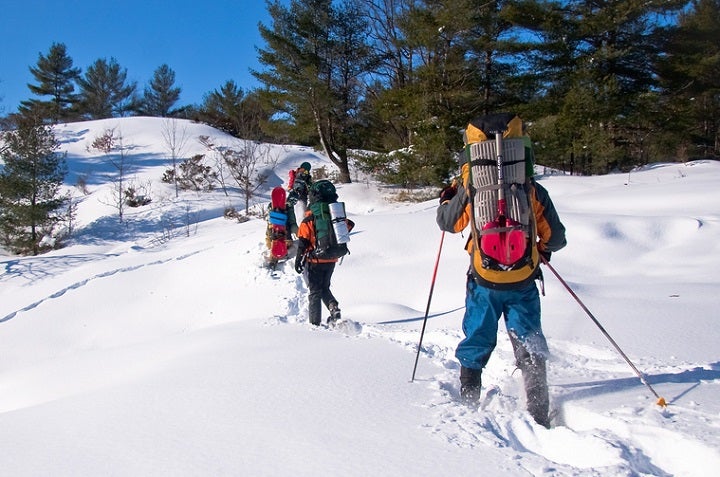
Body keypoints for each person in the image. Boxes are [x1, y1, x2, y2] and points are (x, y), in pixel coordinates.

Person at [436, 116, 566, 428]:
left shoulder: (472, 187)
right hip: (522, 277)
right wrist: (540, 251)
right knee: (529, 341)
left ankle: (468, 403)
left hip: (484, 279)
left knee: (478, 337)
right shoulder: (530, 188)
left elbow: (448, 224)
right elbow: (557, 237)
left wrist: (447, 199)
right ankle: (538, 414)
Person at [294, 182, 355, 327]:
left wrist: (298, 260)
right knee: (325, 287)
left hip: (314, 260)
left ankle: (314, 325)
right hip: (332, 258)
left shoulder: (308, 220)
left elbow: (302, 242)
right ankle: (333, 307)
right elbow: (350, 224)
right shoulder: (335, 216)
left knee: (315, 291)